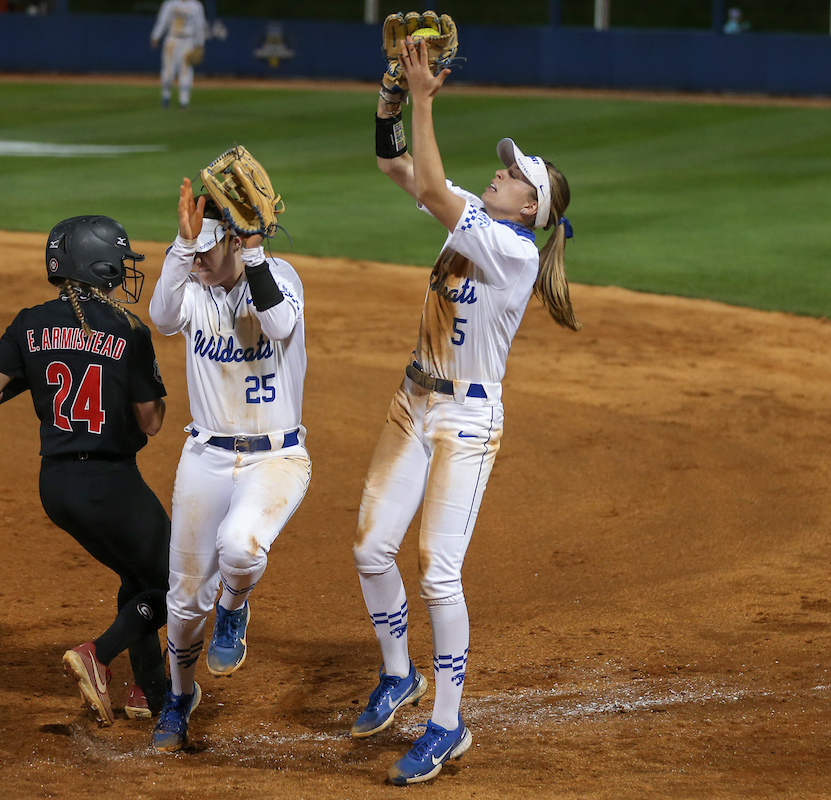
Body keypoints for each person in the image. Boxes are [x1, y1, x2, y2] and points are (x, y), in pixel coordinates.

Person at [353, 36, 580, 785]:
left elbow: (430, 187)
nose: (505, 171)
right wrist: (391, 105)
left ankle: (447, 724)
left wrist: (423, 98)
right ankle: (399, 676)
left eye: (518, 175)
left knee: (437, 575)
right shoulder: (479, 232)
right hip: (412, 406)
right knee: (369, 549)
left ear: (531, 207)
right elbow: (398, 169)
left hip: (466, 426)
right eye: (508, 166)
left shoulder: (511, 252)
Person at [0, 215, 172, 727]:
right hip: (111, 485)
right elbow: (151, 423)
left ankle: (150, 691)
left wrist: (36, 375)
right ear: (98, 267)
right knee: (187, 585)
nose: (124, 271)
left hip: (56, 486)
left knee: (139, 575)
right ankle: (98, 656)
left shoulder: (29, 322)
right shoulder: (128, 331)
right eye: (119, 263)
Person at [146, 177, 312, 753]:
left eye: (209, 250)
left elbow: (280, 325)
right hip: (205, 458)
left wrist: (255, 251)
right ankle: (178, 698)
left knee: (240, 549)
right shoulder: (193, 284)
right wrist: (182, 245)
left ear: (239, 244)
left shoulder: (279, 277)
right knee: (183, 604)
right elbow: (162, 317)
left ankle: (235, 607)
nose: (199, 263)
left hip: (277, 458)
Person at [150, 0, 226, 109]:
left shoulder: (195, 5)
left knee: (185, 70)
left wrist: (200, 43)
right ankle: (166, 96)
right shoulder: (170, 3)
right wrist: (156, 36)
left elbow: (200, 25)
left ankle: (184, 100)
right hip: (172, 39)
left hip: (188, 40)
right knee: (168, 70)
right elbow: (163, 21)